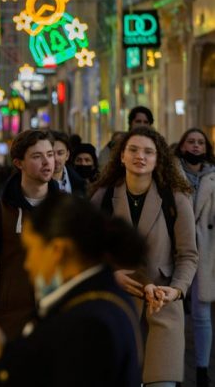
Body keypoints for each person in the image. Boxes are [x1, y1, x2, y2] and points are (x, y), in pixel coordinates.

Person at [0, 193, 144, 387]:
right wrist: (2, 355)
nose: (27, 264)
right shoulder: (95, 297)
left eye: (30, 250)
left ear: (57, 251)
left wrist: (4, 367)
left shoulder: (90, 322)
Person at [90, 126, 198, 386]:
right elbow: (87, 254)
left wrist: (177, 290)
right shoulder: (103, 198)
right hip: (115, 310)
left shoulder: (175, 198)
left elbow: (188, 255)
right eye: (134, 150)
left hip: (162, 308)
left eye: (149, 152)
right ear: (122, 157)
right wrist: (111, 274)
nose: (141, 156)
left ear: (158, 159)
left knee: (161, 382)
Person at [0, 130, 59, 340]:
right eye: (37, 156)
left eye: (50, 154)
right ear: (19, 163)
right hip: (12, 321)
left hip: (59, 320)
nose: (47, 162)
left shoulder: (68, 209)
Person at [175, 128, 215, 387]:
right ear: (181, 146)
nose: (196, 146)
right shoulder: (170, 174)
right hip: (176, 247)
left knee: (201, 312)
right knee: (174, 313)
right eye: (191, 141)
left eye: (201, 142)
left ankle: (201, 368)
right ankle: (174, 368)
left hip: (205, 247)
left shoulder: (212, 177)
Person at [51, 131, 86, 196]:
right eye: (51, 154)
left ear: (67, 155)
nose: (55, 158)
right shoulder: (37, 182)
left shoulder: (79, 182)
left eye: (60, 153)